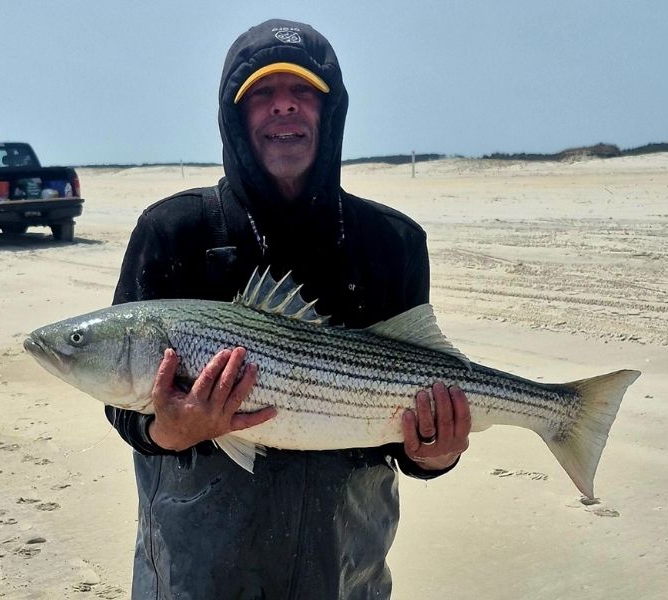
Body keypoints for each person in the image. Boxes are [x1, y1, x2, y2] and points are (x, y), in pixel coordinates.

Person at [107, 19, 471, 599]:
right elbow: (121, 400)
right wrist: (170, 430)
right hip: (197, 574)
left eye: (303, 92)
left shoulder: (393, 242)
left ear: (331, 113)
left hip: (345, 570)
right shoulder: (172, 230)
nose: (284, 108)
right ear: (234, 114)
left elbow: (407, 434)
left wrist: (437, 455)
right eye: (262, 94)